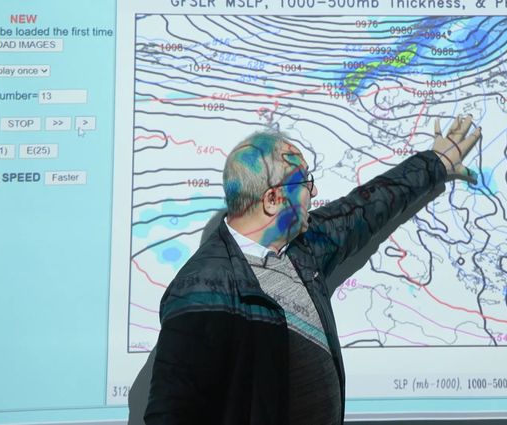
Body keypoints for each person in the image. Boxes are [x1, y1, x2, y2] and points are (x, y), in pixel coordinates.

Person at [144, 115, 482, 424]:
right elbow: (171, 413)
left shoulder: (303, 248)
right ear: (273, 200)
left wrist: (436, 161)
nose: (314, 191)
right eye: (305, 182)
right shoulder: (202, 288)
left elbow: (365, 207)